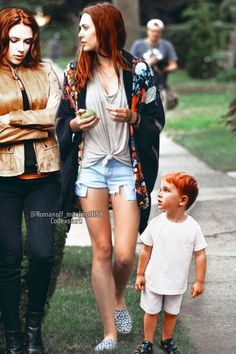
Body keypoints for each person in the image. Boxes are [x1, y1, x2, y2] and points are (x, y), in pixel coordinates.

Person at [56, 2, 165, 351]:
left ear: (105, 29)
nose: (81, 33)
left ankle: (118, 298)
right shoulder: (75, 72)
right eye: (80, 28)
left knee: (123, 255)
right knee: (101, 250)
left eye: (86, 27)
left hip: (125, 168)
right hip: (90, 168)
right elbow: (61, 121)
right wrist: (74, 124)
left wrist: (133, 120)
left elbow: (157, 120)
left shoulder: (139, 71)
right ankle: (109, 333)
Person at [0, 7, 61, 354]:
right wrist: (35, 125)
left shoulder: (47, 69)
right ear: (2, 38)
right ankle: (13, 337)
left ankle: (34, 329)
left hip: (44, 179)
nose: (21, 47)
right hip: (3, 182)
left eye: (27, 40)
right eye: (13, 40)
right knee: (7, 258)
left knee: (40, 254)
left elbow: (55, 117)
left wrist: (9, 118)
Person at [134, 172, 207, 354]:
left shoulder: (192, 228)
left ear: (182, 200)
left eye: (166, 190)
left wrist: (199, 281)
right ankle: (147, 342)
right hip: (154, 280)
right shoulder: (156, 223)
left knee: (171, 314)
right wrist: (140, 274)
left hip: (176, 282)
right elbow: (146, 250)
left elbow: (200, 255)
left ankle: (167, 340)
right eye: (160, 189)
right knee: (151, 312)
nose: (159, 194)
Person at [130, 19, 178, 110]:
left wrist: (164, 69)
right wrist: (147, 63)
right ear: (148, 31)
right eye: (153, 31)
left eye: (157, 31)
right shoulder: (138, 45)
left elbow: (174, 65)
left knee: (159, 115)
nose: (155, 34)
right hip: (142, 87)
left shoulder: (166, 46)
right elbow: (130, 65)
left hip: (159, 85)